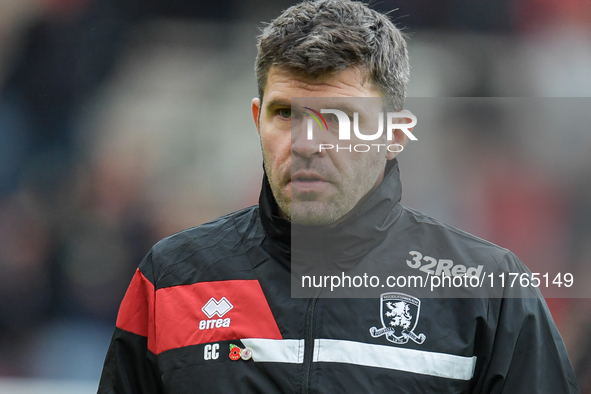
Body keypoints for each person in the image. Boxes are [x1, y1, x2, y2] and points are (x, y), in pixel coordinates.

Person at [98, 1, 580, 393]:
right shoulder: (172, 279)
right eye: (285, 113)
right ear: (255, 118)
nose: (307, 144)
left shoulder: (487, 291)